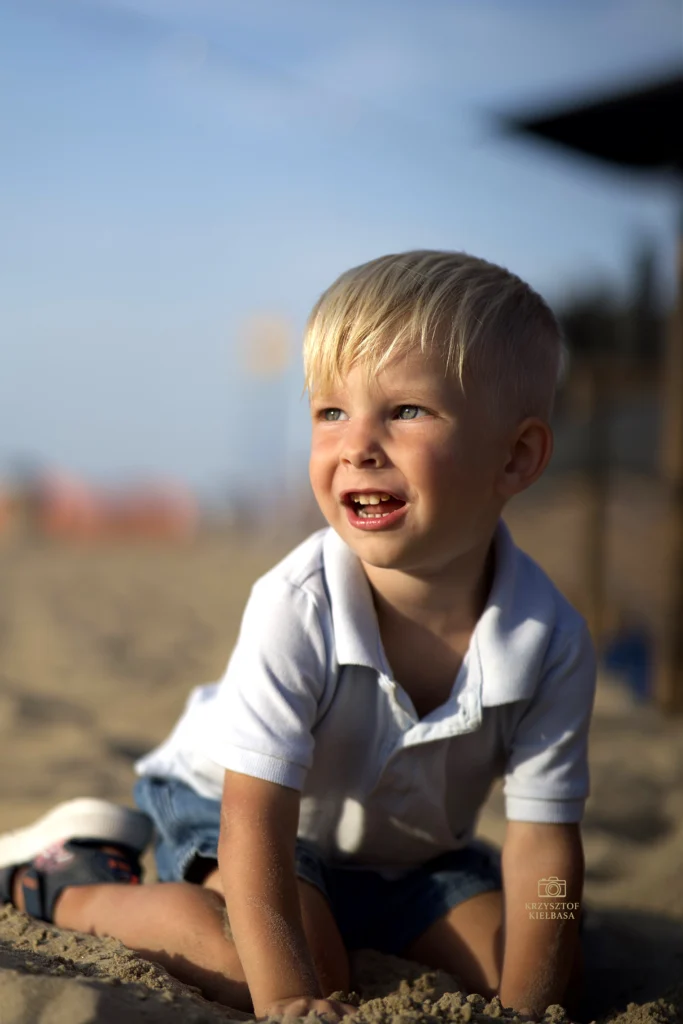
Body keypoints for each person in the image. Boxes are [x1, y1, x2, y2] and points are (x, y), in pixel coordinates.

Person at [0, 251, 596, 1021]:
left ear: (515, 456)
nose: (357, 444)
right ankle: (68, 883)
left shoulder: (549, 639)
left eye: (406, 411)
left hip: (407, 857)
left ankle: (347, 931)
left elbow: (545, 847)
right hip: (244, 815)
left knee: (540, 962)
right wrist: (286, 1001)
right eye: (330, 412)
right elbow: (254, 823)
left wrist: (531, 1008)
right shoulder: (299, 603)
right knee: (270, 966)